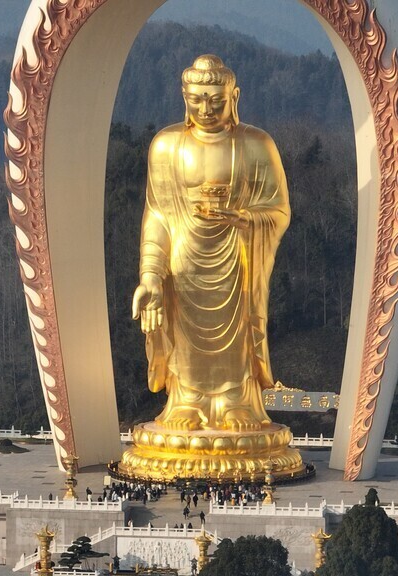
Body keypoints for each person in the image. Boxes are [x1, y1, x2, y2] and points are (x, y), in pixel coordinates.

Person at [132, 54, 290, 433]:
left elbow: (279, 210)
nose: (205, 110)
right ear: (184, 97)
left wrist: (245, 218)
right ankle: (186, 399)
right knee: (186, 339)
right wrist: (151, 275)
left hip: (236, 259)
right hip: (183, 262)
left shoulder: (255, 145)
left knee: (235, 336)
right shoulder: (166, 146)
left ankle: (237, 400)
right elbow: (158, 215)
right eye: (197, 100)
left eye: (216, 101)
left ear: (234, 97)